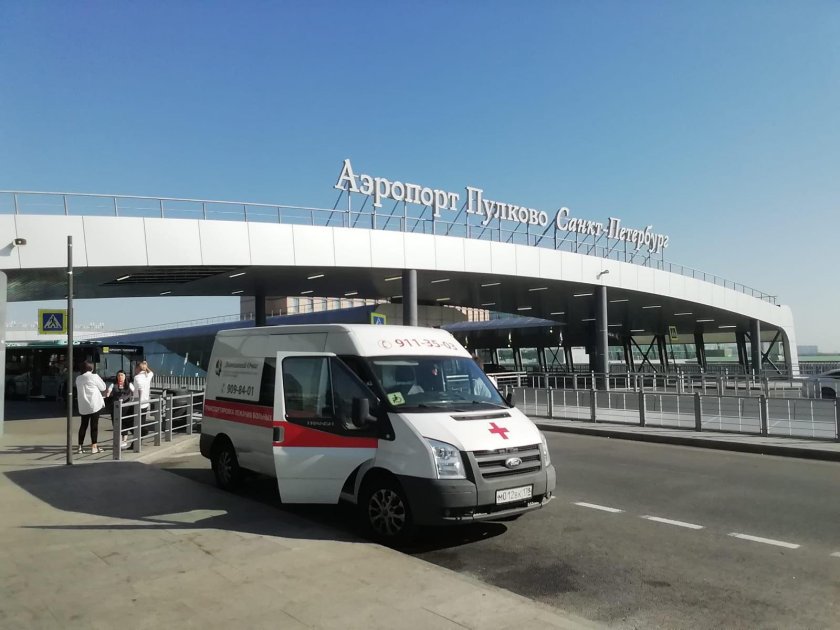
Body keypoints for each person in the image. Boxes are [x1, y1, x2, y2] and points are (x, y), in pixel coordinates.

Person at [75, 361, 107, 454]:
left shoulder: (78, 378)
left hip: (83, 405)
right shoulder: (94, 376)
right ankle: (94, 447)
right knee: (94, 425)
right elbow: (103, 387)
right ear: (91, 368)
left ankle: (80, 447)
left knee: (83, 425)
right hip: (94, 404)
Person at [106, 370, 135, 449]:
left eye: (122, 375)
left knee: (124, 422)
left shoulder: (129, 384)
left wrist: (132, 398)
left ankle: (124, 440)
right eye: (118, 375)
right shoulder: (113, 384)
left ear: (125, 376)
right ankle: (118, 439)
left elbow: (134, 391)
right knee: (115, 423)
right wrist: (108, 395)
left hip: (126, 407)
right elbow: (108, 392)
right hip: (115, 406)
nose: (120, 377)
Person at [133, 361, 154, 435]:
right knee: (142, 419)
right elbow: (151, 373)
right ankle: (142, 433)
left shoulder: (137, 377)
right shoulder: (147, 376)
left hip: (138, 402)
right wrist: (146, 367)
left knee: (136, 421)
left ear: (137, 368)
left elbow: (140, 388)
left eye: (135, 368)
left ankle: (141, 433)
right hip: (145, 401)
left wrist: (139, 400)